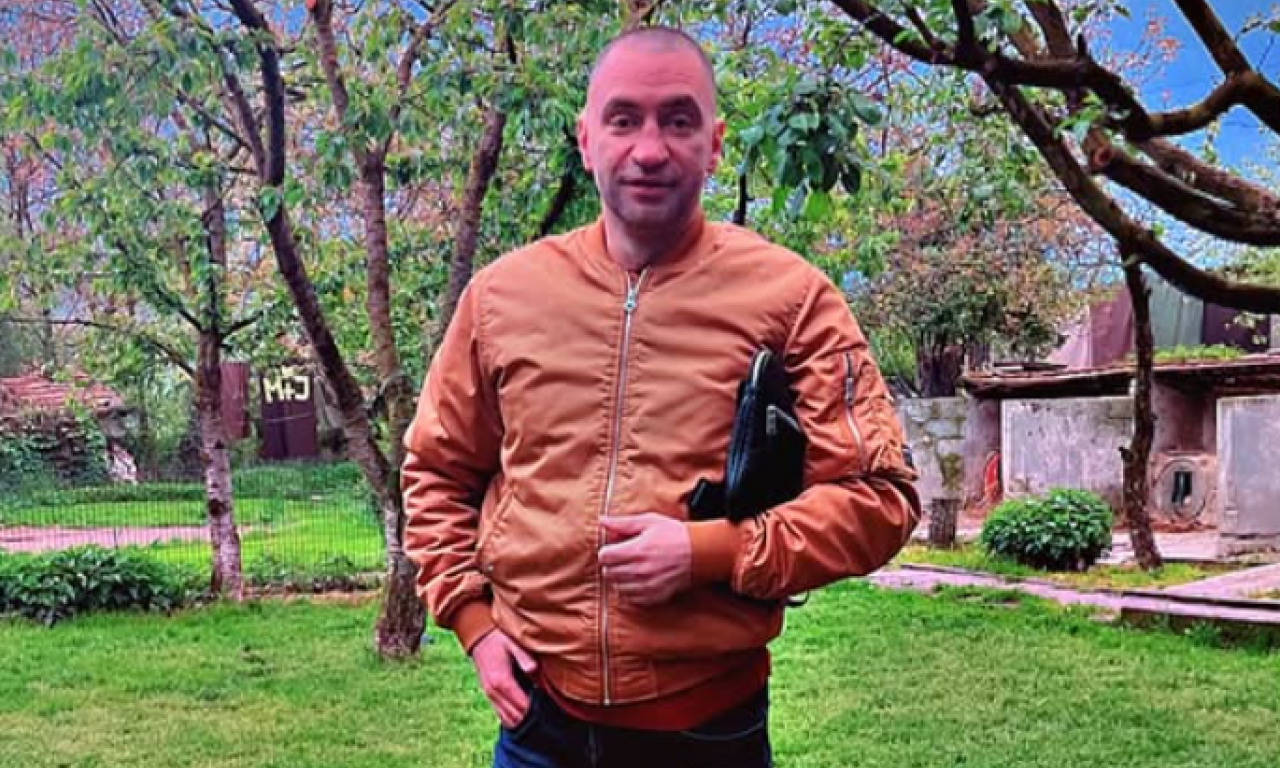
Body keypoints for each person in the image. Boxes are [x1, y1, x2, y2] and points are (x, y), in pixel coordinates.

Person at [402, 25, 920, 768]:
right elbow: (437, 471)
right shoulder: (501, 299)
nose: (649, 149)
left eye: (678, 121)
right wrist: (474, 625)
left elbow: (880, 500)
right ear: (586, 139)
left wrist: (712, 551)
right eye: (624, 120)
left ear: (714, 144)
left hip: (708, 730)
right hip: (538, 727)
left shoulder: (793, 299)